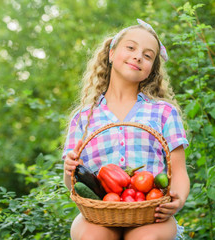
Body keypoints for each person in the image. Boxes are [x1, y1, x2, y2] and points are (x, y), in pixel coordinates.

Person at [62, 19, 190, 240]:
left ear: (151, 70)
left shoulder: (164, 113)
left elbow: (178, 172)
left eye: (148, 55)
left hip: (151, 210)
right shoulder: (83, 117)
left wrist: (178, 200)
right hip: (99, 213)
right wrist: (69, 169)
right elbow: (74, 184)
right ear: (111, 53)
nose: (138, 56)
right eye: (130, 48)